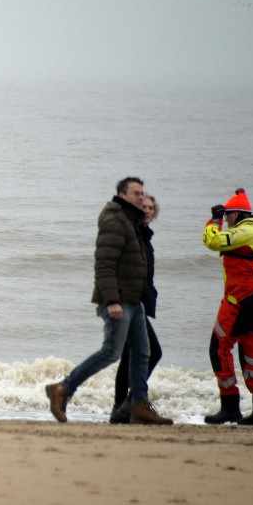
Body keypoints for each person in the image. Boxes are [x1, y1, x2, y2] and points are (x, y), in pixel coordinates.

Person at [45, 177, 172, 425]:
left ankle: (138, 405)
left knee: (143, 353)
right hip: (119, 300)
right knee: (111, 352)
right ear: (122, 195)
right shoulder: (115, 221)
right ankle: (63, 388)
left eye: (142, 193)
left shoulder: (131, 222)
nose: (140, 197)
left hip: (134, 301)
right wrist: (112, 300)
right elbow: (104, 264)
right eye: (136, 193)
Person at [201, 188, 253, 425]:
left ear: (237, 214)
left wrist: (213, 221)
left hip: (239, 302)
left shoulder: (246, 232)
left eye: (227, 215)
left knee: (218, 349)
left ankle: (229, 406)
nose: (226, 219)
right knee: (252, 354)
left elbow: (212, 240)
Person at [109, 194, 163, 423]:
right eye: (144, 207)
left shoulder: (144, 236)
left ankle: (123, 407)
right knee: (151, 352)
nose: (148, 211)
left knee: (130, 355)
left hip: (137, 302)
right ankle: (128, 403)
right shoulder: (132, 234)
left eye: (152, 208)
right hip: (128, 302)